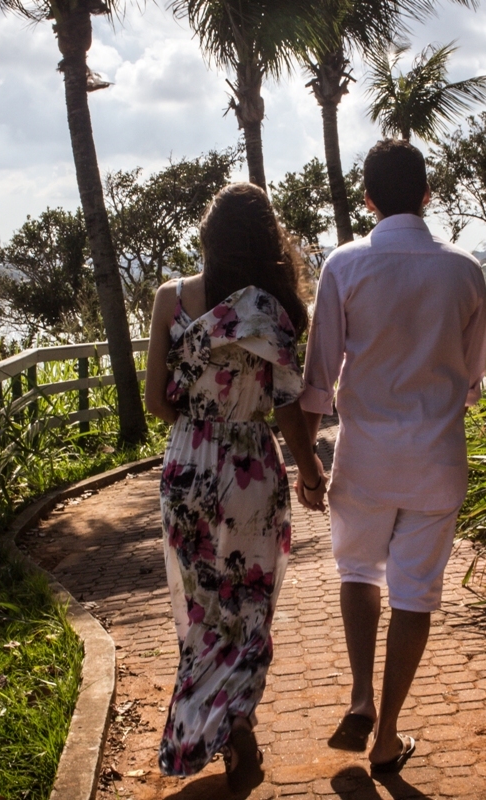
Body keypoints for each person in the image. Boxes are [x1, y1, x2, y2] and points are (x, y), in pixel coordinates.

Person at [297, 139, 486, 774]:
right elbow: (471, 379)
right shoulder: (464, 270)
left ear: (368, 198)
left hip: (364, 455)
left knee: (357, 572)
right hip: (437, 456)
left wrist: (306, 460)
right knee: (415, 592)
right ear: (428, 195)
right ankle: (389, 735)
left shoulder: (344, 265)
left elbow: (318, 378)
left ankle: (359, 697)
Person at [144, 183, 327, 793]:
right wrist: (309, 467)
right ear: (266, 241)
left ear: (209, 235)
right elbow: (286, 405)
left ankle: (209, 727)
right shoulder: (272, 309)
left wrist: (200, 429)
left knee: (202, 609)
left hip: (189, 463)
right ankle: (238, 720)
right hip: (252, 465)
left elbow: (154, 402)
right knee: (250, 605)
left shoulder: (170, 300)